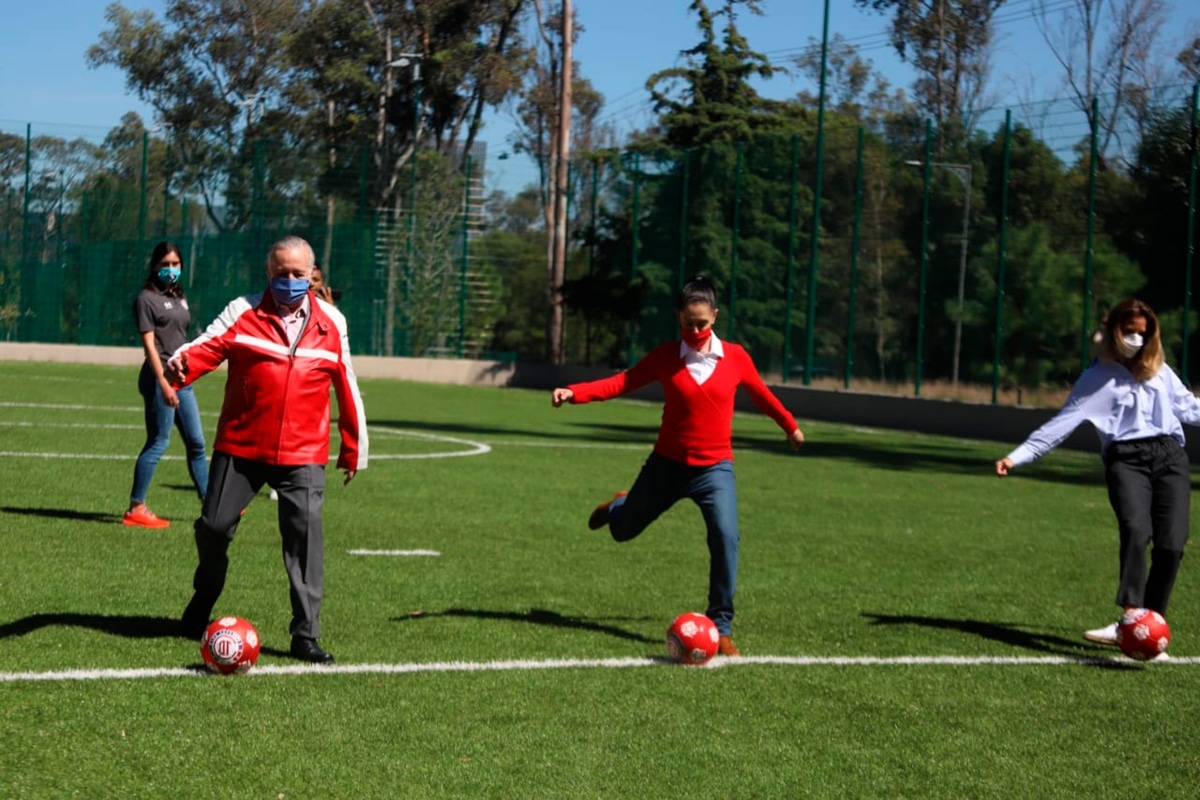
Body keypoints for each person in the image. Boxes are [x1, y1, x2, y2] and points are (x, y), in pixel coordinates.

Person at [551, 276, 805, 656]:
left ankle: (721, 626)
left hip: (713, 470)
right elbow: (623, 382)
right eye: (688, 324)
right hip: (666, 466)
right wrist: (575, 393)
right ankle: (618, 507)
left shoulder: (735, 357)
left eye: (702, 323)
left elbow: (762, 395)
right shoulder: (667, 356)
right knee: (622, 531)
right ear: (678, 318)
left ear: (715, 316)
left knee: (725, 536)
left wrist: (790, 426)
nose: (696, 331)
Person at [167, 235, 368, 664]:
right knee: (214, 527)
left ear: (312, 276)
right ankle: (204, 600)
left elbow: (346, 384)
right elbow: (208, 345)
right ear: (268, 273)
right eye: (282, 274)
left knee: (305, 540)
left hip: (304, 453)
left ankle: (305, 635)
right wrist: (184, 363)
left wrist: (354, 446)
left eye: (298, 274)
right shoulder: (243, 311)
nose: (290, 281)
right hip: (240, 446)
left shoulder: (332, 322)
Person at [996, 298, 1200, 660]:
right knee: (1137, 529)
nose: (1137, 338)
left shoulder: (1160, 370)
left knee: (1172, 545)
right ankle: (1132, 614)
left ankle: (1152, 623)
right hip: (1127, 460)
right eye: (1129, 331)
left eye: (1143, 332)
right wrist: (1018, 456)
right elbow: (1059, 427)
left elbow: (1188, 407)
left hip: (1171, 457)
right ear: (1114, 333)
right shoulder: (1096, 378)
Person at [125, 241, 209, 528]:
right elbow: (149, 346)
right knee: (159, 441)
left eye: (175, 264)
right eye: (165, 264)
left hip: (182, 377)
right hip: (158, 377)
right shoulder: (145, 299)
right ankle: (136, 507)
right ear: (154, 266)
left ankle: (210, 503)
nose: (171, 270)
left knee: (197, 442)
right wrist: (163, 382)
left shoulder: (179, 297)